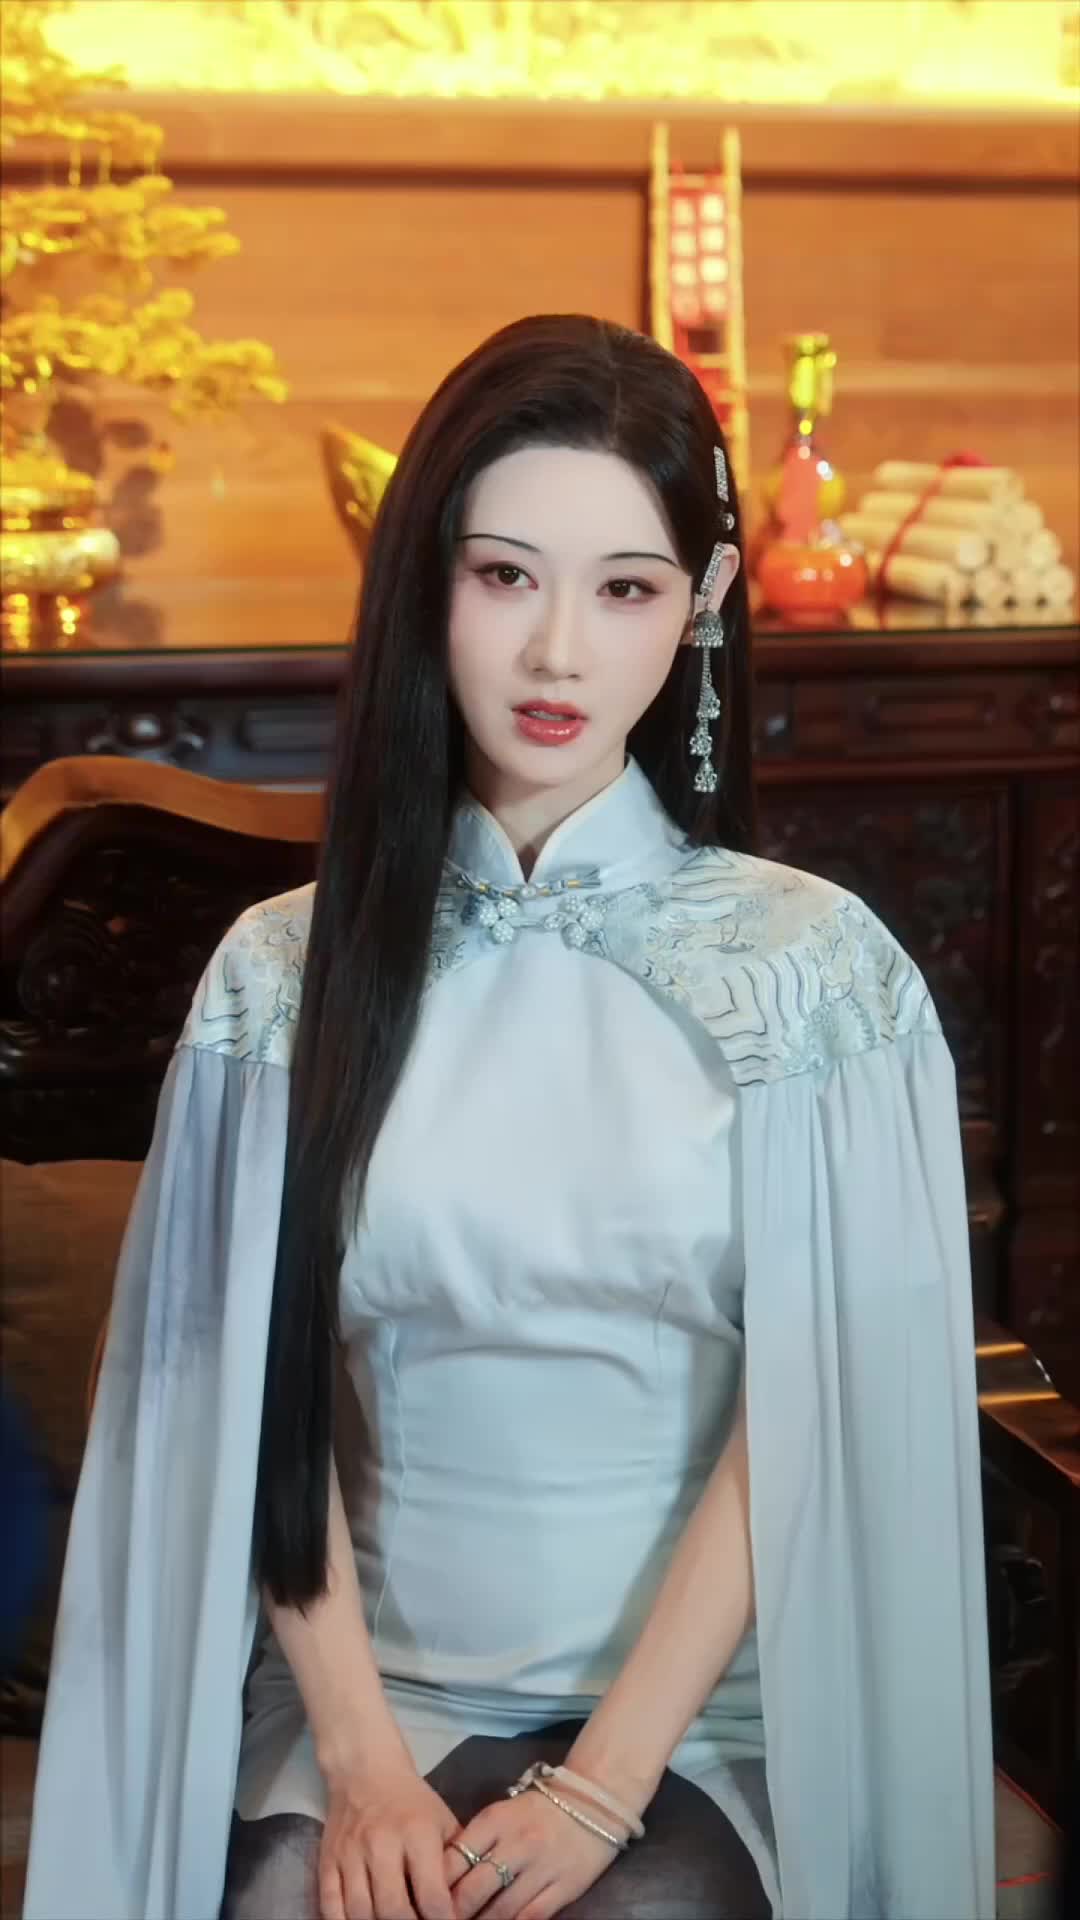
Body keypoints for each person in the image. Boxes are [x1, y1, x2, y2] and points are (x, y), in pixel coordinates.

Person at [24, 314, 995, 1920]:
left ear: (704, 603)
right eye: (504, 576)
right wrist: (361, 1766)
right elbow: (243, 1411)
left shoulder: (819, 979)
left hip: (699, 1723)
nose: (557, 655)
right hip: (367, 1704)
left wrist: (602, 1787)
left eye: (625, 589)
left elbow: (816, 1419)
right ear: (428, 585)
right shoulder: (278, 978)